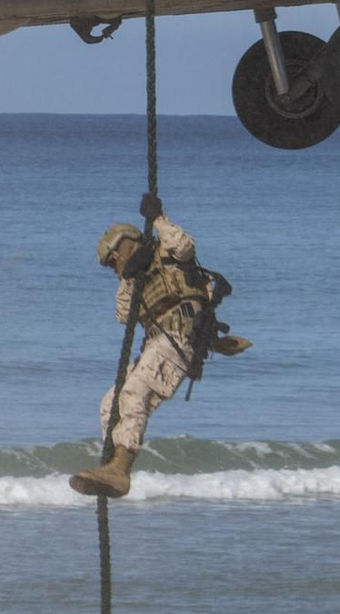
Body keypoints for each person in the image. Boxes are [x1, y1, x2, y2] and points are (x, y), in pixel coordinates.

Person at [69, 198, 251, 501]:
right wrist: (129, 278)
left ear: (125, 245)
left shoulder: (166, 253)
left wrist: (158, 219)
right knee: (110, 402)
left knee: (133, 393)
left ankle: (120, 470)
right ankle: (112, 465)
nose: (114, 267)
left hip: (177, 340)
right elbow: (124, 315)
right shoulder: (136, 276)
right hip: (158, 344)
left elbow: (184, 244)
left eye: (114, 260)